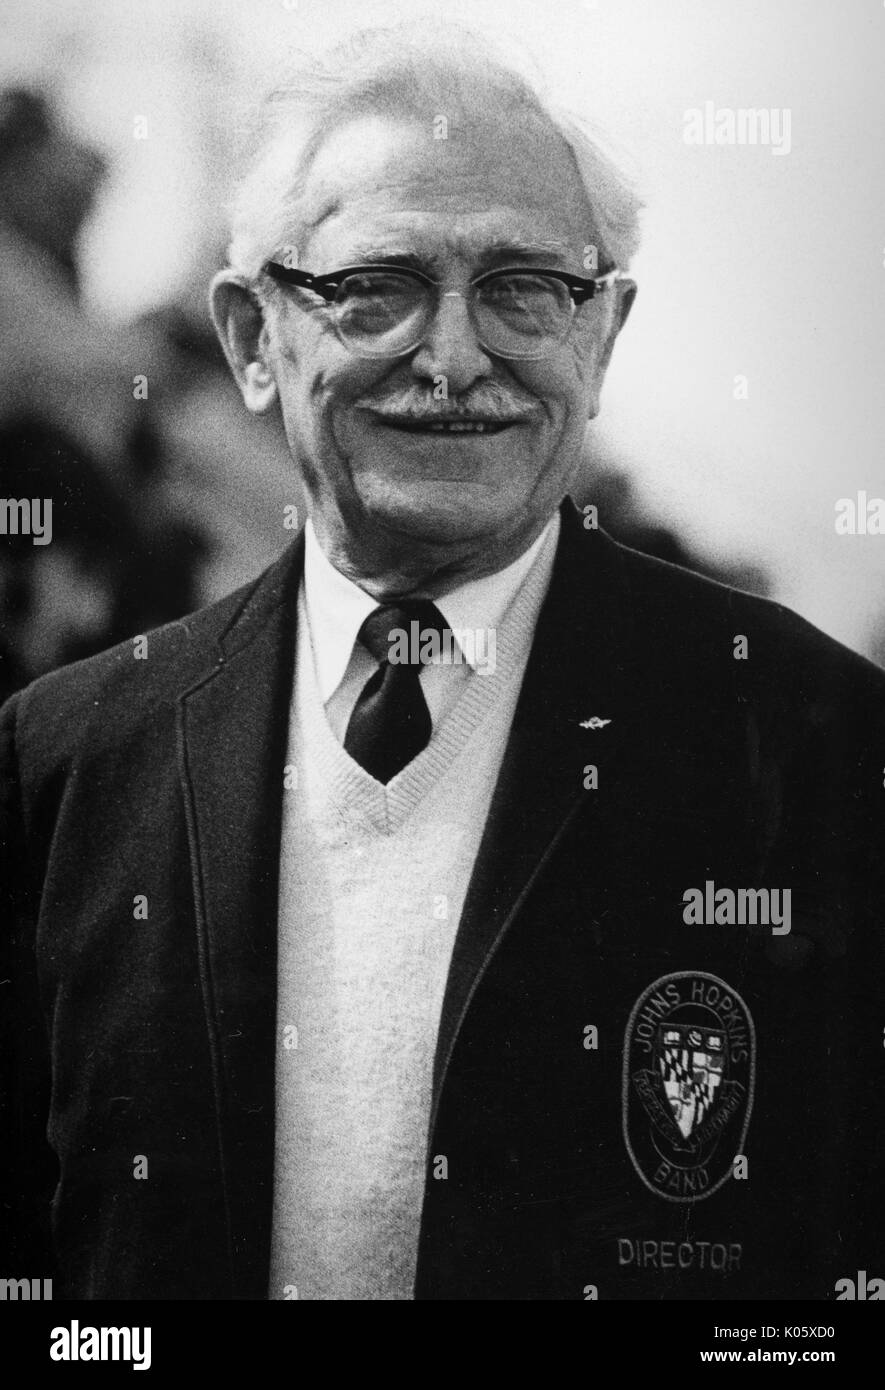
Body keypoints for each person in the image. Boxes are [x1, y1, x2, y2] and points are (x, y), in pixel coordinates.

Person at [2, 25, 883, 1302]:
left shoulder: (818, 744)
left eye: (527, 287)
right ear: (253, 336)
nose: (456, 357)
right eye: (379, 285)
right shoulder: (67, 764)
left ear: (604, 338)